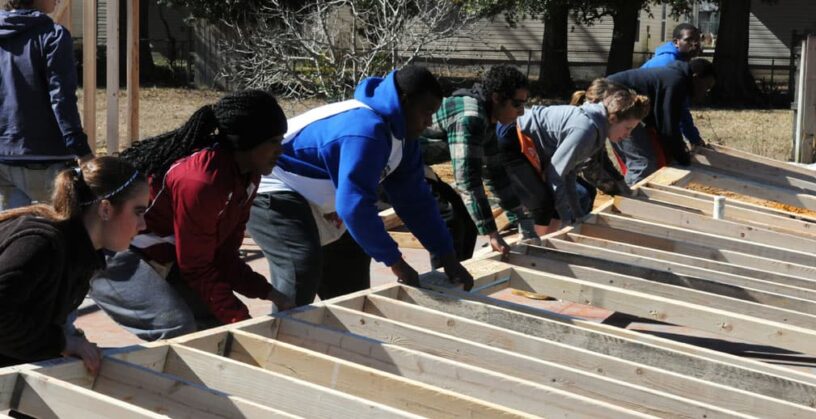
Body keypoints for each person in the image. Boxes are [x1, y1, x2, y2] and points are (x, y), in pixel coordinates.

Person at [248, 65, 474, 308]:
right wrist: (396, 263)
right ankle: (283, 337)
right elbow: (355, 208)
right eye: (426, 112)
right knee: (301, 263)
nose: (429, 122)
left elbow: (415, 201)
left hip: (318, 196)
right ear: (405, 101)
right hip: (272, 183)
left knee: (350, 265)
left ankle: (342, 338)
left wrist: (448, 256)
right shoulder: (366, 131)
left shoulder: (404, 136)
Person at [90, 90, 294, 341]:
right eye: (273, 141)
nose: (280, 150)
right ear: (248, 142)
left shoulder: (248, 174)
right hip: (111, 250)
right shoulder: (201, 181)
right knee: (177, 328)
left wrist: (271, 294)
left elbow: (223, 255)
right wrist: (242, 322)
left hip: (163, 254)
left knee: (215, 327)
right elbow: (196, 267)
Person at [0, 157, 148, 374]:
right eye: (138, 212)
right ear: (105, 209)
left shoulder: (80, 251)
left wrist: (70, 341)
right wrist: (63, 344)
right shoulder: (41, 244)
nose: (143, 225)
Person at [497, 79, 650, 230]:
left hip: (526, 141)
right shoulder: (586, 130)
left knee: (556, 204)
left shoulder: (597, 130)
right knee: (544, 204)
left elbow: (569, 173)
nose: (628, 135)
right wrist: (566, 219)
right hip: (513, 135)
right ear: (613, 118)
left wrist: (578, 216)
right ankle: (532, 244)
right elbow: (555, 174)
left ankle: (542, 241)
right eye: (628, 128)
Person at [423, 65, 533, 256]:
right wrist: (492, 233)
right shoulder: (471, 117)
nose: (521, 112)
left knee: (467, 218)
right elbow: (468, 180)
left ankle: (459, 271)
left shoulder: (487, 117)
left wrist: (521, 216)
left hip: (418, 163)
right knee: (451, 218)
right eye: (517, 104)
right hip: (393, 162)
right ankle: (445, 278)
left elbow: (495, 173)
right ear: (497, 97)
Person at [0, 0, 93, 211]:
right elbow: (61, 99)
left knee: (10, 235)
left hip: (3, 158)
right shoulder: (53, 35)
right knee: (59, 233)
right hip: (45, 159)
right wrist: (83, 152)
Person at [608, 58, 716, 185]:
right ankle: (632, 200)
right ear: (696, 77)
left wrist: (683, 147)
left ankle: (630, 193)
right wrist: (682, 157)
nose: (706, 92)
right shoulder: (676, 82)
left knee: (643, 159)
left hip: (621, 103)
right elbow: (668, 126)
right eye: (707, 86)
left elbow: (673, 120)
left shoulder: (677, 79)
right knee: (643, 163)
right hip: (618, 105)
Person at [642, 23, 706, 148]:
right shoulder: (668, 64)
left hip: (646, 115)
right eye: (688, 40)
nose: (695, 44)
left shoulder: (679, 62)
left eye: (697, 40)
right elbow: (678, 109)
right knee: (650, 163)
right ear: (676, 42)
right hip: (630, 115)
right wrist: (693, 139)